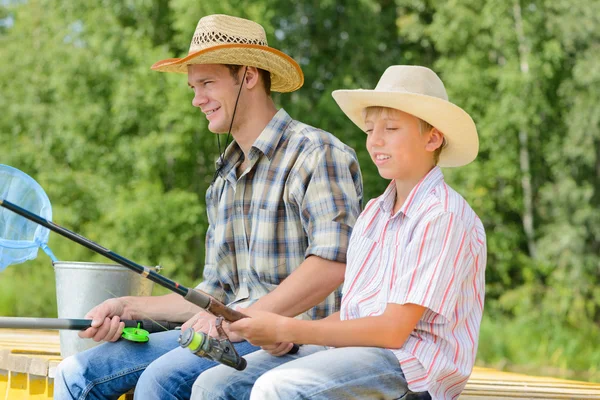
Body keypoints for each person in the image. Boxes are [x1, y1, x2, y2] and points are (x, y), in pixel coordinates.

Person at [53, 14, 363, 400]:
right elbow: (213, 291)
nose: (197, 99)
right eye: (193, 86)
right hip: (228, 332)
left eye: (207, 83)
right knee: (75, 372)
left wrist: (242, 319)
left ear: (248, 76)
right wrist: (129, 306)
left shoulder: (317, 153)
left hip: (294, 341)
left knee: (161, 380)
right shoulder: (221, 184)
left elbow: (333, 263)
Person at [191, 65, 487, 400]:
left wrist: (287, 326)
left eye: (391, 128)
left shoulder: (442, 216)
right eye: (370, 129)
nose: (375, 140)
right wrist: (295, 338)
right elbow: (354, 312)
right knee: (214, 386)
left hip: (411, 368)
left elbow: (392, 330)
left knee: (280, 388)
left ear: (432, 137)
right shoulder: (375, 212)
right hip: (362, 350)